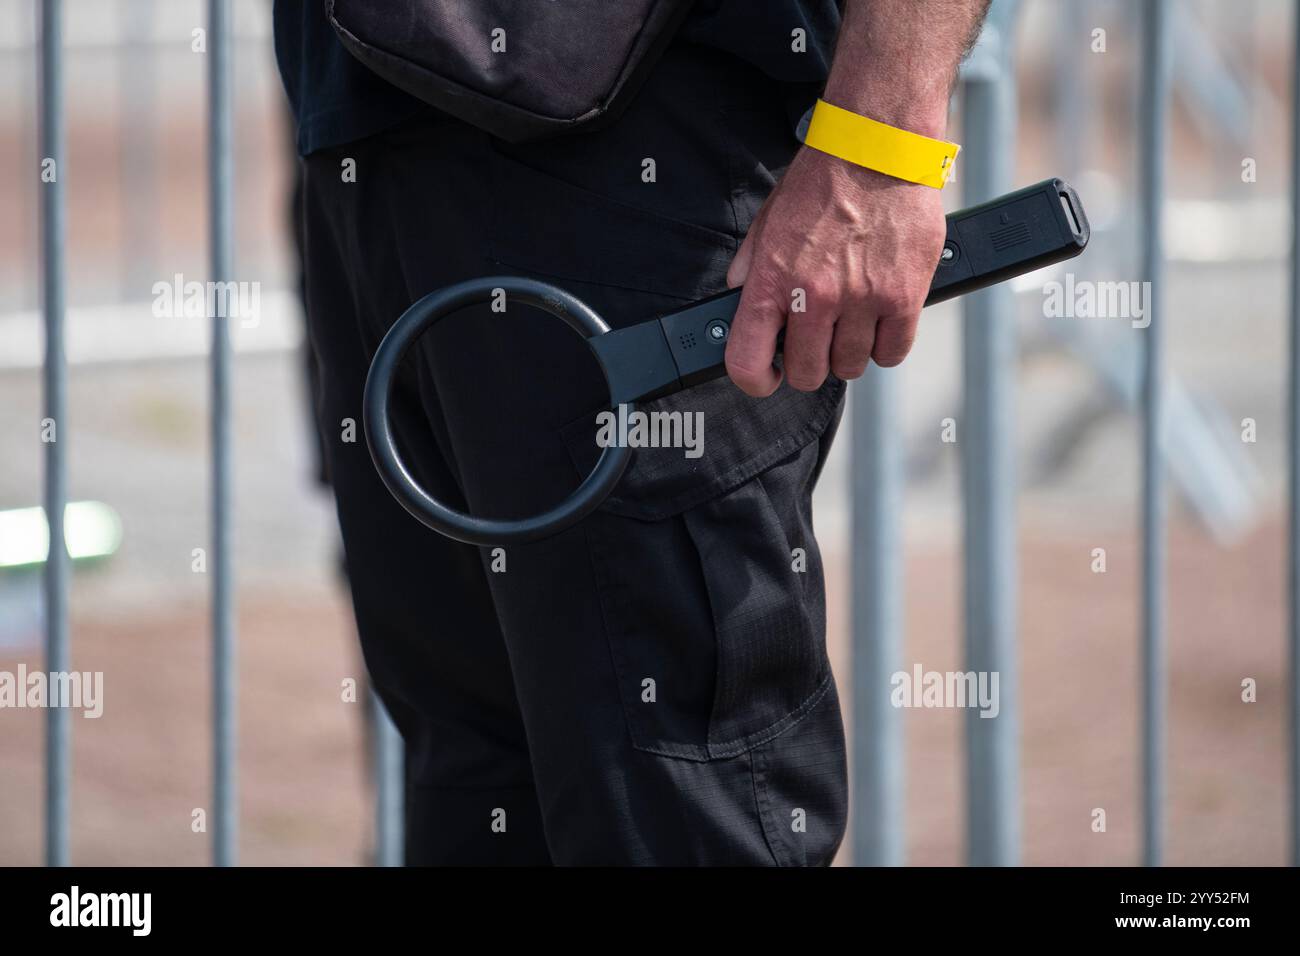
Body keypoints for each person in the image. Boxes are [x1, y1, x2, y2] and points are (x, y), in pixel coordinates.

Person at [274, 0, 991, 865]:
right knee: (473, 796)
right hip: (368, 127)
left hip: (632, 160)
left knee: (677, 805)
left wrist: (881, 145)